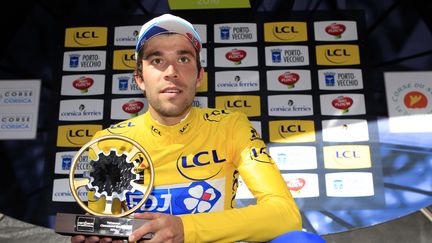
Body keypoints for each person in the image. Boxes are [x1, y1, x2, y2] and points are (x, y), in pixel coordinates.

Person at [71, 13, 302, 243]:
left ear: (199, 76)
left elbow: (285, 215)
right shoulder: (109, 141)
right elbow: (106, 225)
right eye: (157, 60)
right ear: (139, 79)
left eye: (183, 59)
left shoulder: (230, 126)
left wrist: (186, 229)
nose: (171, 71)